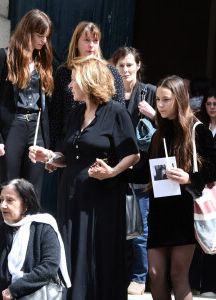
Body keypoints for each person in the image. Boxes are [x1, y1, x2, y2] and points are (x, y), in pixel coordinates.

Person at [29, 56, 139, 300]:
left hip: (102, 200)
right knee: (71, 254)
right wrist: (48, 156)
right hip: (71, 197)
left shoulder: (116, 112)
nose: (69, 86)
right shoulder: (76, 112)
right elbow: (68, 156)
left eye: (73, 81)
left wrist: (111, 171)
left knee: (98, 256)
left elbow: (132, 155)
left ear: (89, 82)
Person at [124, 75, 216, 300]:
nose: (160, 105)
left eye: (166, 100)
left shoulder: (198, 131)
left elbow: (214, 168)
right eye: (157, 100)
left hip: (185, 212)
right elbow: (145, 171)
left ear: (180, 100)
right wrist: (115, 170)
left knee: (177, 274)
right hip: (160, 211)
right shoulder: (158, 135)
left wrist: (189, 178)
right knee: (155, 274)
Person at [0, 9, 54, 226]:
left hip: (36, 130)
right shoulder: (1, 56)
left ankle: (29, 249)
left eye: (46, 36)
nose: (43, 41)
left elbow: (45, 106)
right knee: (9, 190)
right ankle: (3, 250)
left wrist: (48, 147)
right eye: (40, 35)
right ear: (27, 32)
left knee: (32, 192)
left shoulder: (43, 62)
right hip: (11, 128)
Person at [110, 46, 156, 295]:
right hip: (115, 171)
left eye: (130, 65)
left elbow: (173, 127)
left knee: (140, 230)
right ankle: (118, 274)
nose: (126, 70)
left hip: (141, 171)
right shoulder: (110, 94)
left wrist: (155, 115)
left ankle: (139, 277)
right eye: (121, 66)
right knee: (116, 227)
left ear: (138, 65)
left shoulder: (151, 93)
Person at [49, 21, 125, 151]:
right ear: (76, 43)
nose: (91, 45)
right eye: (87, 40)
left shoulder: (111, 72)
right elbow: (56, 113)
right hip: (70, 141)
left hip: (101, 142)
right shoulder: (64, 72)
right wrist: (51, 149)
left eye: (95, 41)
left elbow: (120, 110)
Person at [191, 87, 216, 297]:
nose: (212, 108)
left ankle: (210, 285)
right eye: (208, 104)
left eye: (215, 104)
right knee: (204, 234)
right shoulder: (201, 128)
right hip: (206, 189)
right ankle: (199, 283)